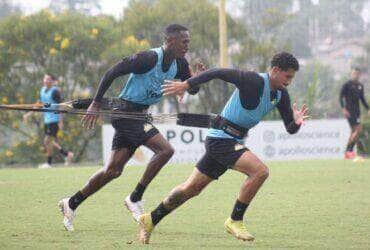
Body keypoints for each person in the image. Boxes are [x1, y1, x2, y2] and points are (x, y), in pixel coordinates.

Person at [137, 52, 309, 244]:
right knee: (260, 171)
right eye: (288, 76)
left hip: (230, 142)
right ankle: (235, 220)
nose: (290, 81)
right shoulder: (252, 80)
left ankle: (150, 219)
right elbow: (217, 72)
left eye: (292, 78)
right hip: (220, 140)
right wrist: (187, 84)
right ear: (276, 70)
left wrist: (298, 121)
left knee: (190, 189)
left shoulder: (281, 95)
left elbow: (290, 128)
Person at [58, 24, 203, 231]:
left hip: (138, 115)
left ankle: (71, 203)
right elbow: (112, 72)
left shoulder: (180, 63)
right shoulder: (149, 58)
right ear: (170, 41)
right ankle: (135, 198)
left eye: (188, 41)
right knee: (166, 150)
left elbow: (193, 89)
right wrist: (96, 103)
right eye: (184, 41)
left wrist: (196, 78)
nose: (187, 46)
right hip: (124, 113)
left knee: (113, 171)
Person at [23, 74, 74, 169]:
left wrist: (60, 121)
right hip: (47, 120)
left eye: (49, 79)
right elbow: (39, 104)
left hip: (54, 119)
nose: (46, 80)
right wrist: (28, 114)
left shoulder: (55, 91)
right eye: (45, 79)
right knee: (49, 141)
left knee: (47, 141)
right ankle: (67, 154)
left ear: (52, 81)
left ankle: (49, 163)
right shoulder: (42, 90)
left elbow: (60, 106)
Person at [340, 68, 369, 160]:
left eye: (357, 74)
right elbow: (340, 97)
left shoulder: (360, 86)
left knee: (355, 132)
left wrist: (368, 108)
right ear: (351, 74)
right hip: (349, 111)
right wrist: (343, 108)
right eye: (354, 73)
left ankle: (348, 153)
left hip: (357, 111)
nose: (355, 75)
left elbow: (362, 99)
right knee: (357, 130)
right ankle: (349, 151)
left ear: (359, 75)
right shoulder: (347, 85)